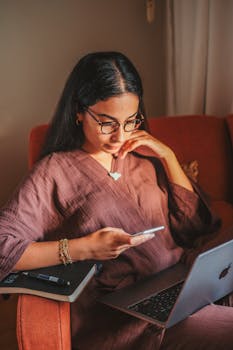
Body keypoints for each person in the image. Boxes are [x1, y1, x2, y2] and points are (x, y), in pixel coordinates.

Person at [0, 51, 233, 350]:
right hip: (124, 319)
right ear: (79, 111)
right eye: (107, 123)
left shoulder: (144, 155)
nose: (119, 136)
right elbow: (4, 246)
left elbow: (196, 226)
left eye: (130, 121)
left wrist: (168, 156)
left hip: (183, 288)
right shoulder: (54, 172)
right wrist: (85, 248)